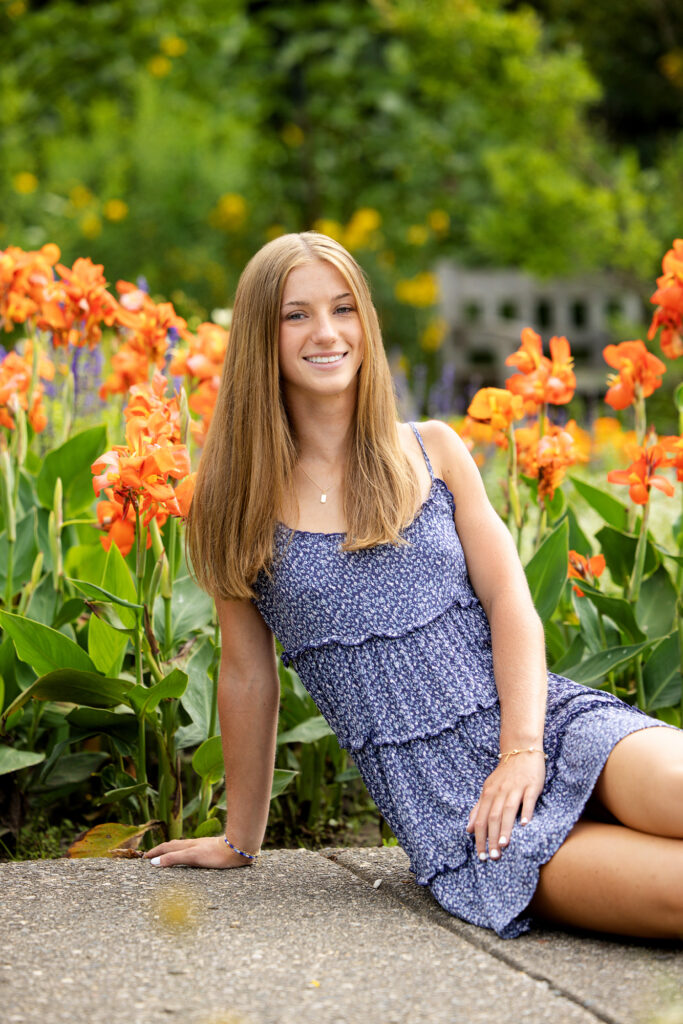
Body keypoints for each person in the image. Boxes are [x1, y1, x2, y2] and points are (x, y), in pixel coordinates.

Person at [144, 232, 683, 940]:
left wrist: (521, 750)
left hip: (550, 728)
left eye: (343, 308)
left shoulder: (431, 449)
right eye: (296, 315)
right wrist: (239, 839)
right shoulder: (227, 500)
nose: (327, 333)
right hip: (454, 805)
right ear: (258, 337)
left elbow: (508, 601)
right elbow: (247, 677)